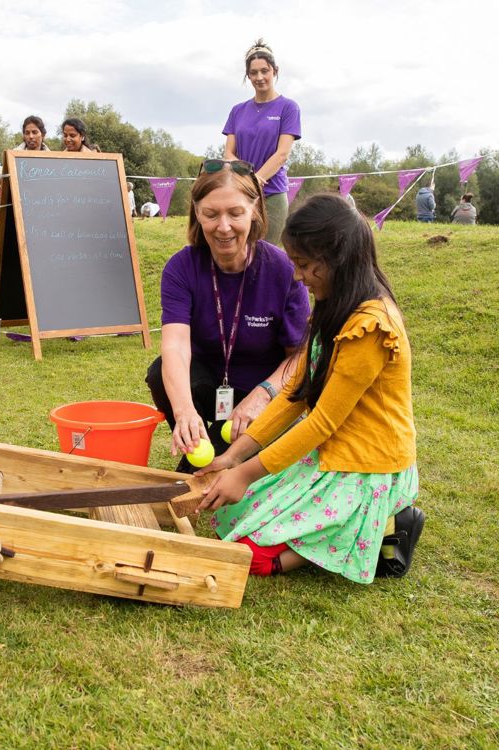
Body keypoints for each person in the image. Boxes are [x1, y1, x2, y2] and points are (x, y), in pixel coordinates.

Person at [195, 193, 423, 582]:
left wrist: (246, 474)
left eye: (303, 265)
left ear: (337, 261)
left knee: (249, 557)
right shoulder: (335, 302)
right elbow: (294, 395)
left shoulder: (371, 325)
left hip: (366, 467)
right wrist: (234, 458)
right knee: (230, 516)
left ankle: (388, 523)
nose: (297, 276)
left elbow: (321, 422)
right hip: (331, 455)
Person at [146, 159, 310, 473]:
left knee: (237, 471)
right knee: (159, 373)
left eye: (235, 213)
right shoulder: (181, 268)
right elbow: (176, 347)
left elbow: (300, 357)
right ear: (197, 213)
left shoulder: (283, 269)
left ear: (255, 211)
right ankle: (200, 437)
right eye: (211, 214)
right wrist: (183, 412)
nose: (223, 227)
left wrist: (264, 394)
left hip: (265, 397)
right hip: (212, 390)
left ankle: (237, 449)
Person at [223, 39, 302, 244]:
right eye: (253, 72)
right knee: (240, 252)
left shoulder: (288, 108)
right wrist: (245, 179)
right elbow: (229, 154)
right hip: (240, 192)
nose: (259, 77)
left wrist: (256, 180)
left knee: (268, 256)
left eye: (264, 71)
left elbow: (282, 154)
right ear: (247, 75)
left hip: (273, 194)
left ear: (275, 71)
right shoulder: (237, 110)